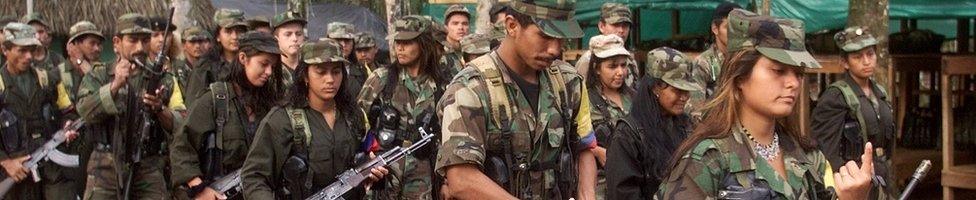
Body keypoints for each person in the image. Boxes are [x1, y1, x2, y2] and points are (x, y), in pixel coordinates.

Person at [656, 9, 875, 200]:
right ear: (740, 77)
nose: (793, 83)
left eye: (798, 74)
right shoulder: (707, 162)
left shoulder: (808, 158)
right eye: (778, 70)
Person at [435, 0, 598, 199]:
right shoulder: (471, 88)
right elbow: (461, 178)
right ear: (512, 25)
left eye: (562, 38)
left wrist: (587, 194)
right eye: (545, 36)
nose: (555, 49)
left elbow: (584, 148)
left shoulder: (569, 82)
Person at [241, 39, 388, 200]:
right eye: (321, 72)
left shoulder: (354, 115)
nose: (330, 79)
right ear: (305, 75)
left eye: (336, 71)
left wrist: (374, 168)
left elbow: (372, 150)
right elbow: (254, 177)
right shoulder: (282, 120)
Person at [76, 13, 181, 199]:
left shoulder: (163, 78)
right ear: (117, 42)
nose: (140, 47)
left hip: (148, 167)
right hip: (105, 167)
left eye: (145, 40)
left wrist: (159, 109)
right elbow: (85, 111)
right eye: (132, 40)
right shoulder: (98, 75)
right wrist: (114, 86)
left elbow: (180, 122)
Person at [171, 31, 284, 200]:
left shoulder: (272, 105)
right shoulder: (215, 100)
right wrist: (199, 188)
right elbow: (182, 147)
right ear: (243, 58)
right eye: (263, 64)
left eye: (272, 67)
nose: (268, 72)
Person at [356, 15, 449, 200]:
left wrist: (446, 180)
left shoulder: (440, 86)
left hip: (423, 174)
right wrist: (366, 156)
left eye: (407, 42)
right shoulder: (381, 78)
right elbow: (357, 122)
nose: (400, 47)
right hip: (384, 170)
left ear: (424, 44)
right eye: (397, 42)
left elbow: (447, 136)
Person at [811, 26, 897, 200]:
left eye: (870, 54)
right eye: (858, 57)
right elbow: (827, 152)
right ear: (845, 62)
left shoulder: (879, 92)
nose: (866, 61)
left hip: (880, 172)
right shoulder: (835, 97)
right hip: (852, 179)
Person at [604, 47, 701, 199]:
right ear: (656, 87)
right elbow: (623, 193)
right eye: (677, 90)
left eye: (687, 91)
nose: (684, 97)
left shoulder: (686, 126)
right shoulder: (628, 135)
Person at [0, 22, 77, 200]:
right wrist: (5, 162)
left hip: (50, 170)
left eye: (32, 50)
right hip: (14, 173)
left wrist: (68, 125)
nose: (28, 56)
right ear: (5, 50)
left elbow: (68, 111)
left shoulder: (48, 79)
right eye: (22, 50)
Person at [54, 20, 106, 199]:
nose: (98, 48)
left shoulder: (102, 72)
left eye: (99, 44)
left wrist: (81, 61)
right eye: (92, 43)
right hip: (66, 153)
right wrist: (65, 123)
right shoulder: (58, 74)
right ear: (73, 45)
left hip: (97, 149)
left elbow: (102, 93)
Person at [582, 34, 635, 200]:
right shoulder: (584, 99)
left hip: (632, 182)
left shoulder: (634, 98)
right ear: (597, 68)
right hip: (601, 185)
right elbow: (572, 138)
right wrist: (596, 151)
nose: (620, 72)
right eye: (612, 66)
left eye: (623, 65)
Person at [687, 2, 741, 122]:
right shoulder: (703, 63)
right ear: (715, 29)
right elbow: (695, 111)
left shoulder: (746, 61)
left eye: (738, 28)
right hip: (714, 130)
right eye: (728, 27)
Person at [185, 8, 249, 107]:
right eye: (228, 31)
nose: (235, 37)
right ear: (218, 36)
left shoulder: (252, 62)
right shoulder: (205, 67)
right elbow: (194, 106)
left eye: (239, 31)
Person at [575, 3, 637, 86]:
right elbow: (578, 93)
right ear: (601, 26)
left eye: (625, 25)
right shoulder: (589, 59)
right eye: (615, 24)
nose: (621, 30)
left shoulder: (630, 60)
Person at [271, 11, 307, 89]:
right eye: (288, 34)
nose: (295, 39)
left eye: (299, 34)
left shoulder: (309, 67)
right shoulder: (270, 70)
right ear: (276, 39)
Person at [351, 32, 380, 97]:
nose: (363, 54)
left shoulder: (384, 71)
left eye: (367, 50)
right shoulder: (350, 74)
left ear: (376, 49)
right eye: (359, 51)